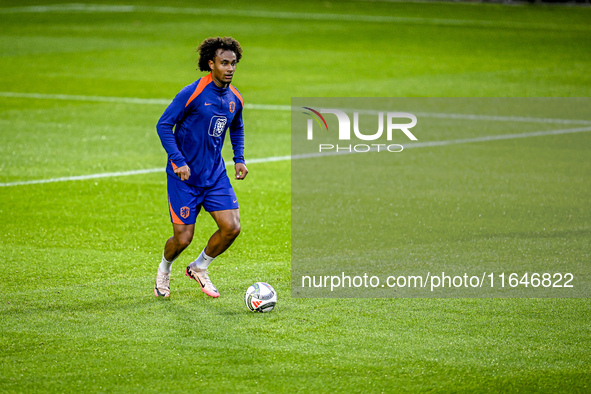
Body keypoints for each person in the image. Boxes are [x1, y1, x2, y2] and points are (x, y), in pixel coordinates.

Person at [154, 36, 248, 298]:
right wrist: (178, 161)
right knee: (183, 239)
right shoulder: (192, 93)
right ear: (211, 64)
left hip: (215, 175)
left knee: (232, 227)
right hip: (184, 177)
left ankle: (199, 267)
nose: (230, 68)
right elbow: (164, 125)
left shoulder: (235, 98)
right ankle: (164, 269)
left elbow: (237, 126)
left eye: (233, 63)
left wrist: (238, 158)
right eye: (224, 63)